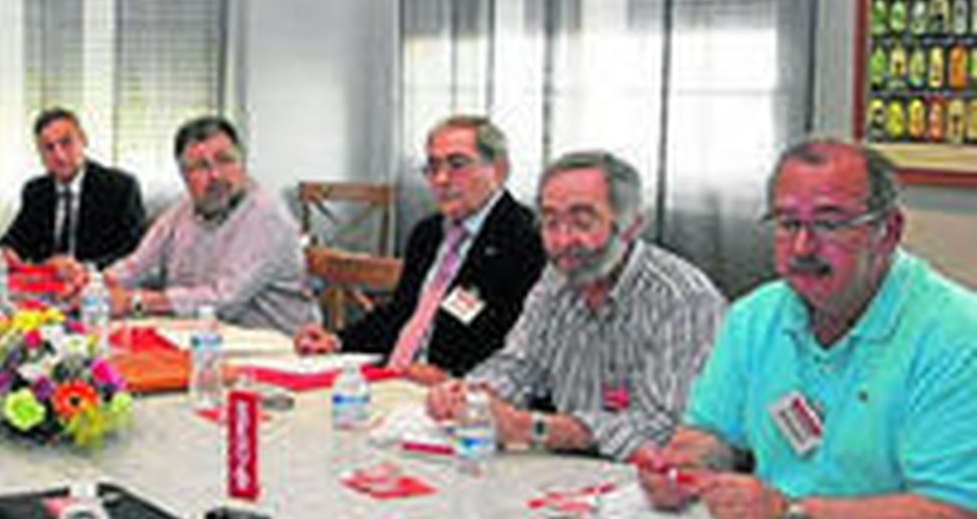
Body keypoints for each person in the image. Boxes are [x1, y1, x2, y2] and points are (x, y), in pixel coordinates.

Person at [638, 138, 977, 519]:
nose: (802, 247)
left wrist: (792, 518)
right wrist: (685, 468)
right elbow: (711, 433)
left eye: (829, 224)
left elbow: (959, 516)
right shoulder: (755, 316)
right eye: (786, 223)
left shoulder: (956, 334)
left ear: (887, 231)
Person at [426, 151, 725, 460]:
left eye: (582, 222)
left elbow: (662, 426)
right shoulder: (557, 279)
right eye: (550, 222)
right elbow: (519, 365)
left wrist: (533, 428)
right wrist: (472, 394)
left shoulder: (683, 299)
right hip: (570, 473)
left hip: (652, 482)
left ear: (631, 226)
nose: (562, 240)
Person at [295, 115, 544, 381]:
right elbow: (402, 313)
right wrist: (337, 340)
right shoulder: (428, 233)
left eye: (457, 165)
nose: (442, 179)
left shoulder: (526, 240)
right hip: (393, 379)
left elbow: (520, 348)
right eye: (433, 167)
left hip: (459, 394)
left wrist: (455, 379)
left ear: (499, 170)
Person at [98, 115, 318, 334]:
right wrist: (91, 283)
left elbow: (224, 300)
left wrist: (137, 301)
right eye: (200, 166)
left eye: (225, 160)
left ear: (242, 162)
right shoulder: (182, 211)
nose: (215, 175)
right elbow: (137, 266)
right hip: (207, 339)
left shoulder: (265, 214)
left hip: (280, 347)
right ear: (183, 175)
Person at [0, 108, 145, 269]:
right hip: (46, 286)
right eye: (49, 148)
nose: (59, 155)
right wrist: (6, 252)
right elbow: (15, 239)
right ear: (40, 154)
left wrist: (85, 267)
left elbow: (135, 250)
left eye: (66, 143)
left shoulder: (120, 187)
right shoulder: (36, 191)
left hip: (98, 284)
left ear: (83, 140)